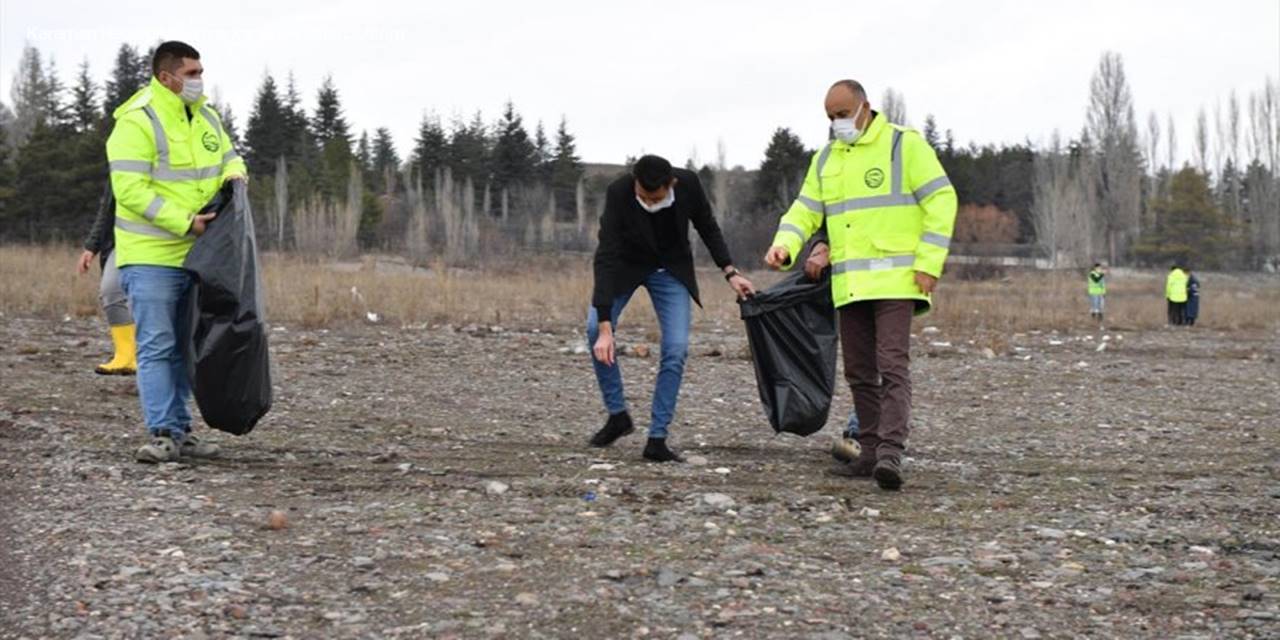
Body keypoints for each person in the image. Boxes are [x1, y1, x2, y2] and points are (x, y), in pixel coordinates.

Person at [764, 79, 957, 490]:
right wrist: (785, 244)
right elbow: (805, 209)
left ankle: (890, 453)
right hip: (851, 283)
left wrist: (930, 263)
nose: (837, 123)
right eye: (830, 117)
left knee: (892, 366)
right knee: (859, 372)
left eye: (842, 114)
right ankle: (868, 451)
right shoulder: (826, 159)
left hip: (897, 281)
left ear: (864, 107)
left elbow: (942, 200)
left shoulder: (904, 146)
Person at [106, 41, 247, 463]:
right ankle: (163, 431)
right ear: (166, 77)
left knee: (187, 347)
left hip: (198, 256)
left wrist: (237, 174)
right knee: (157, 345)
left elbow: (228, 157)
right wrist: (183, 221)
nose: (199, 80)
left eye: (200, 71)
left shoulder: (205, 115)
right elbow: (129, 190)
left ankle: (182, 430)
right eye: (191, 73)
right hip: (151, 255)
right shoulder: (137, 121)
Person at [587, 155, 756, 462]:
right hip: (626, 267)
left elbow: (707, 226)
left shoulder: (689, 184)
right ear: (634, 182)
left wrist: (730, 272)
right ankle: (617, 416)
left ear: (671, 184)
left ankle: (657, 438)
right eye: (642, 196)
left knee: (676, 348)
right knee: (593, 329)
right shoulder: (619, 192)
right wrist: (604, 324)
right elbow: (607, 253)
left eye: (655, 198)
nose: (648, 202)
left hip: (671, 270)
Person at [75, 184, 136, 375]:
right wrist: (92, 246)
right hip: (123, 241)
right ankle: (125, 356)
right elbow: (107, 209)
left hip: (171, 240)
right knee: (110, 291)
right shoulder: (120, 163)